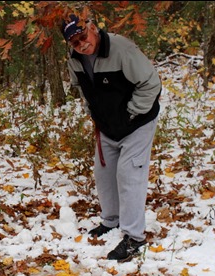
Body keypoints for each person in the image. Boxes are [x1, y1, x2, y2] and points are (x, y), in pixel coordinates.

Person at [61, 14, 161, 262]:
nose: (82, 45)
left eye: (83, 37)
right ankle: (111, 221)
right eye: (74, 42)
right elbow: (82, 87)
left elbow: (151, 83)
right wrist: (92, 110)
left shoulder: (122, 49)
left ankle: (134, 237)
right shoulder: (74, 59)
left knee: (129, 174)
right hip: (106, 126)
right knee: (104, 174)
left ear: (92, 28)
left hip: (137, 123)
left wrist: (132, 112)